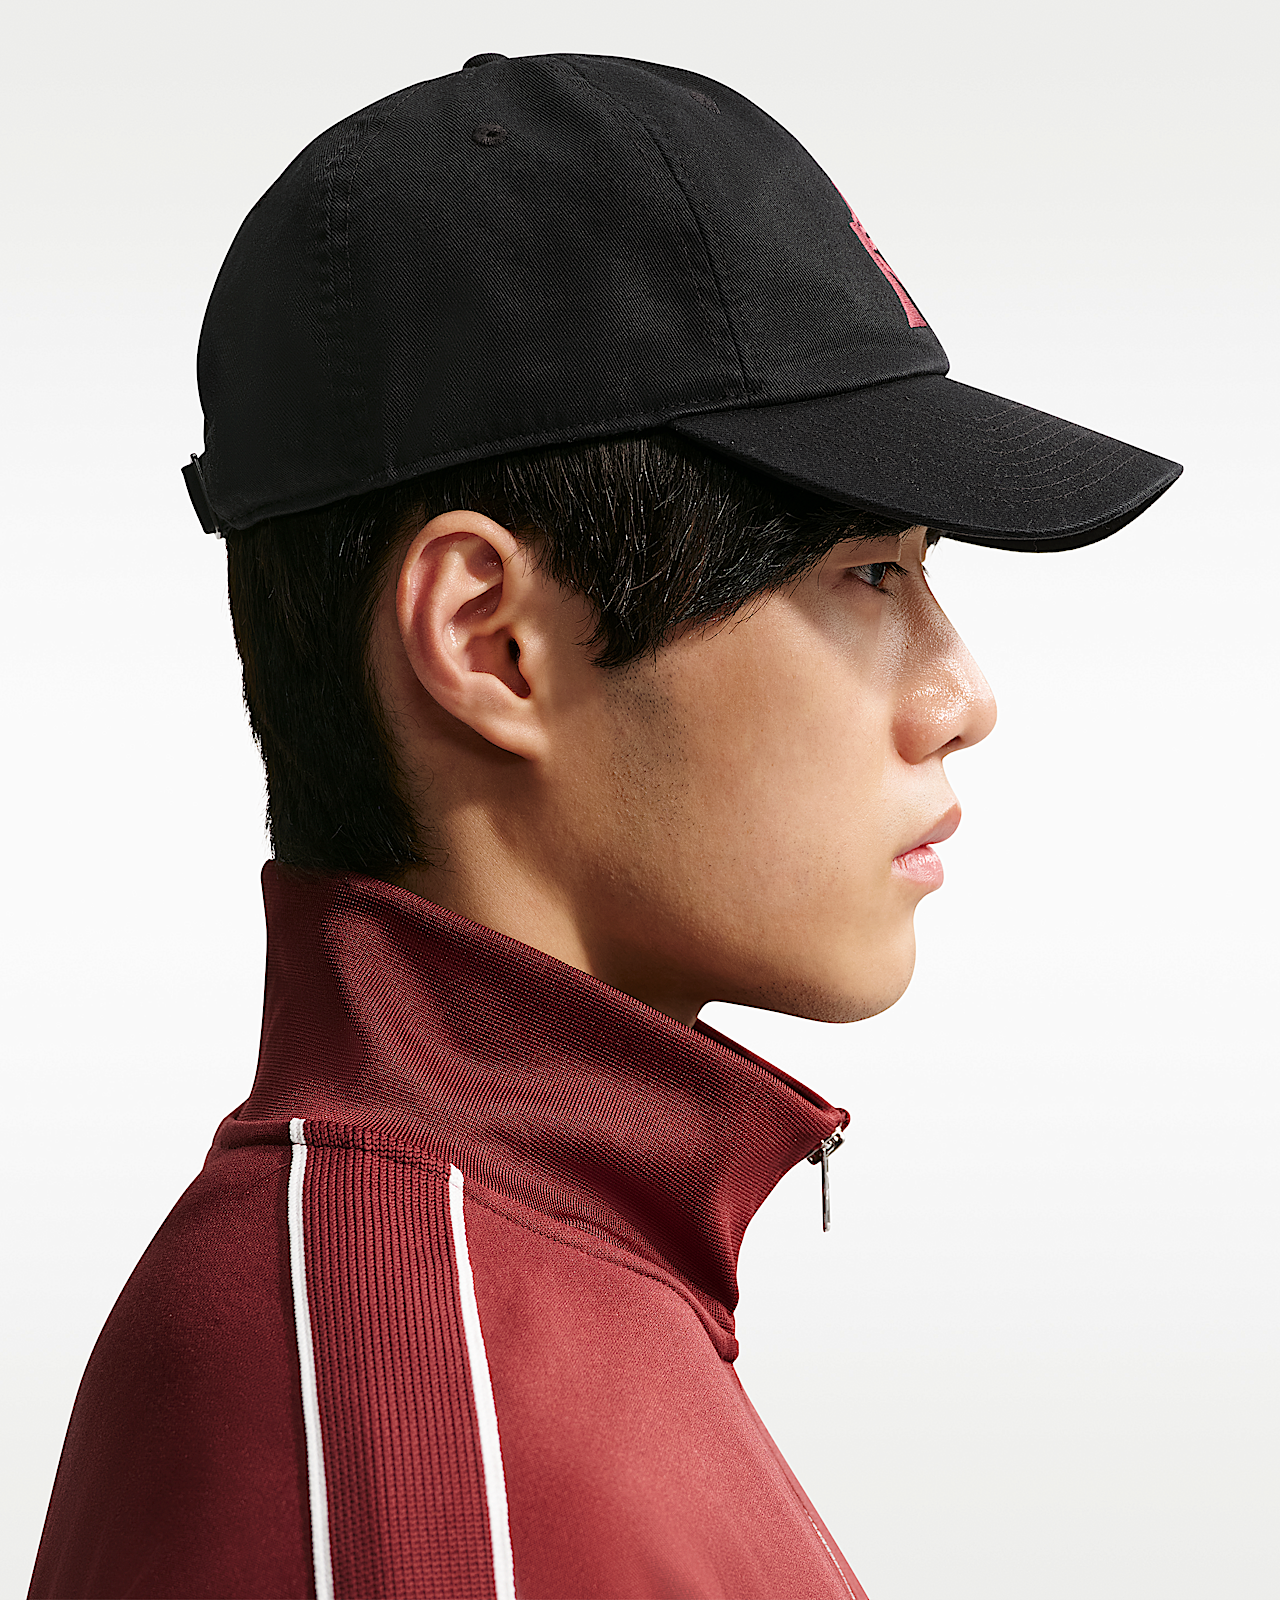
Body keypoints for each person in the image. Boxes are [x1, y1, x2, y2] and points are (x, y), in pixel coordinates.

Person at [28, 50, 1180, 1600]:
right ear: (492, 640)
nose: (963, 696)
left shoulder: (506, 1292)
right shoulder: (415, 1441)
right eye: (867, 573)